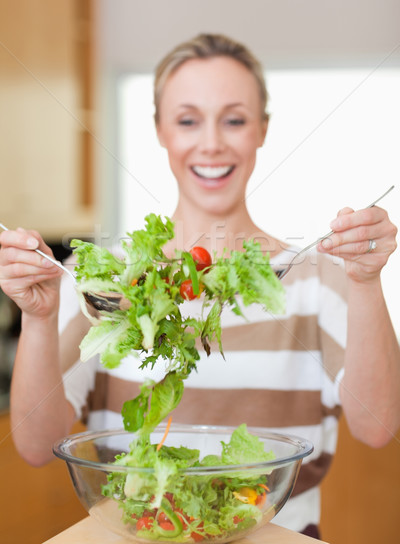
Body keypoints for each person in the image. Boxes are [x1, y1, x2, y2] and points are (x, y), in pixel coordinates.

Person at [0, 34, 399, 539]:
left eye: (233, 119)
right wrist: (37, 317)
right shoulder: (103, 281)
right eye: (188, 120)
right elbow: (37, 445)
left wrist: (367, 282)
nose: (211, 142)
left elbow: (378, 427)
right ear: (161, 130)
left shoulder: (320, 278)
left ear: (262, 130)